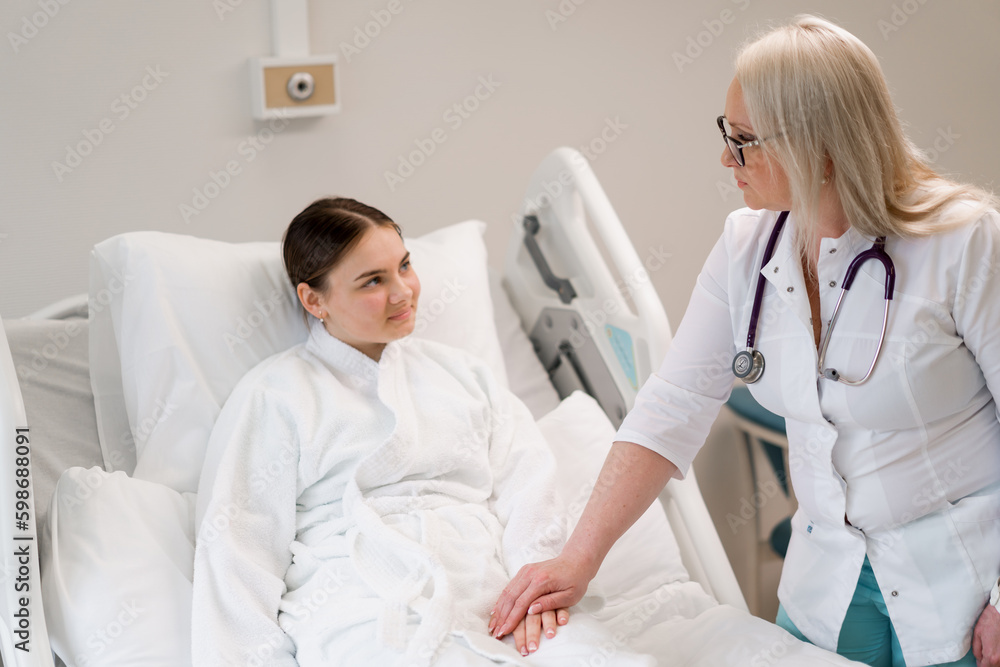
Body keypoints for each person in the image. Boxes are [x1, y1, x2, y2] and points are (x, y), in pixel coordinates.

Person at [489, 15, 1000, 667]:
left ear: (819, 145)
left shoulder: (964, 243)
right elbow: (672, 407)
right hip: (828, 582)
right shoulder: (747, 247)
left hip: (962, 583)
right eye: (726, 134)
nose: (726, 159)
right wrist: (576, 559)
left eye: (744, 141)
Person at [190, 197, 657, 666]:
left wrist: (535, 590)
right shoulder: (275, 395)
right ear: (314, 300)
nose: (403, 292)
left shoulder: (465, 376)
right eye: (373, 281)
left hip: (497, 595)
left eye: (405, 266)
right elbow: (238, 547)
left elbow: (529, 486)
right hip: (363, 601)